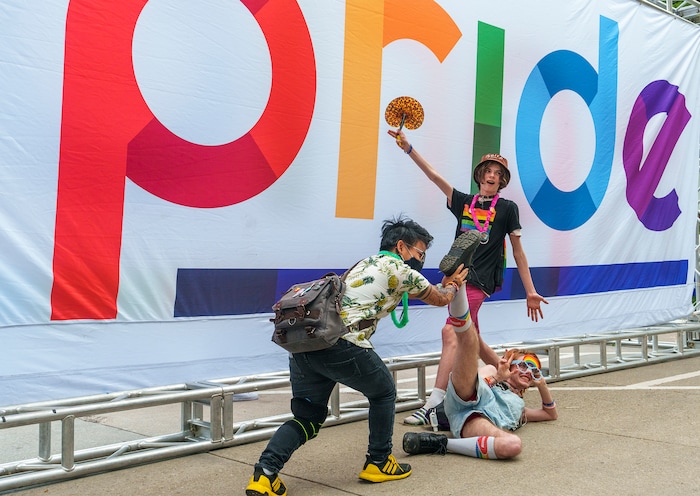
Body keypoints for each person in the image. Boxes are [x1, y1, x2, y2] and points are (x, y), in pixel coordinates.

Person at [246, 215, 479, 496]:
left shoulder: (363, 264)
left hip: (305, 346)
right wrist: (453, 284)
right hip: (341, 343)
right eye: (419, 253)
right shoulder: (397, 266)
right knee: (383, 392)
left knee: (307, 418)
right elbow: (440, 298)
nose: (420, 259)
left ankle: (264, 475)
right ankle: (378, 462)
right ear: (401, 247)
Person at [387, 128, 549, 426]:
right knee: (470, 339)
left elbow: (518, 252)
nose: (492, 176)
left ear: (502, 181)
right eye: (487, 171)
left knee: (451, 333)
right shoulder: (464, 202)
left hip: (478, 280)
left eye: (497, 173)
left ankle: (434, 403)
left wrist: (530, 290)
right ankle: (504, 376)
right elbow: (434, 176)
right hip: (455, 277)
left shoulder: (507, 209)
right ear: (479, 176)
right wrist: (409, 148)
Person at [401, 299, 557, 459]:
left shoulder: (520, 409)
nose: (529, 371)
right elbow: (472, 388)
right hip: (464, 399)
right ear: (510, 364)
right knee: (470, 340)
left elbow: (550, 415)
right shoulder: (493, 371)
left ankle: (441, 443)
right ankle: (459, 291)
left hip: (473, 419)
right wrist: (497, 377)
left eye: (534, 369)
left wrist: (542, 385)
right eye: (524, 365)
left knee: (513, 445)